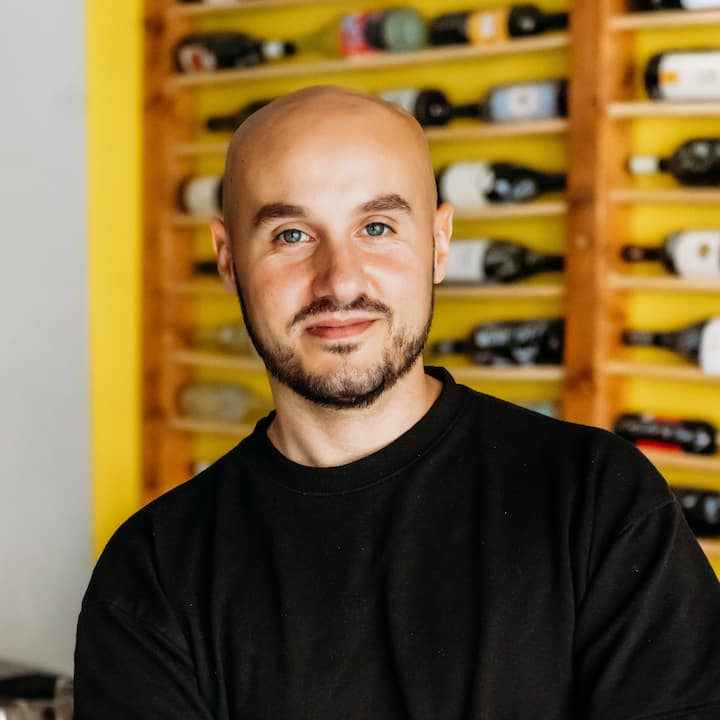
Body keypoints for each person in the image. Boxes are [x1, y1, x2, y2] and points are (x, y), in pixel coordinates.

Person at [74, 86, 720, 719]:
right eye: (292, 235)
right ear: (227, 259)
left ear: (440, 243)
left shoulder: (598, 498)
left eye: (377, 227)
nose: (340, 281)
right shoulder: (154, 570)